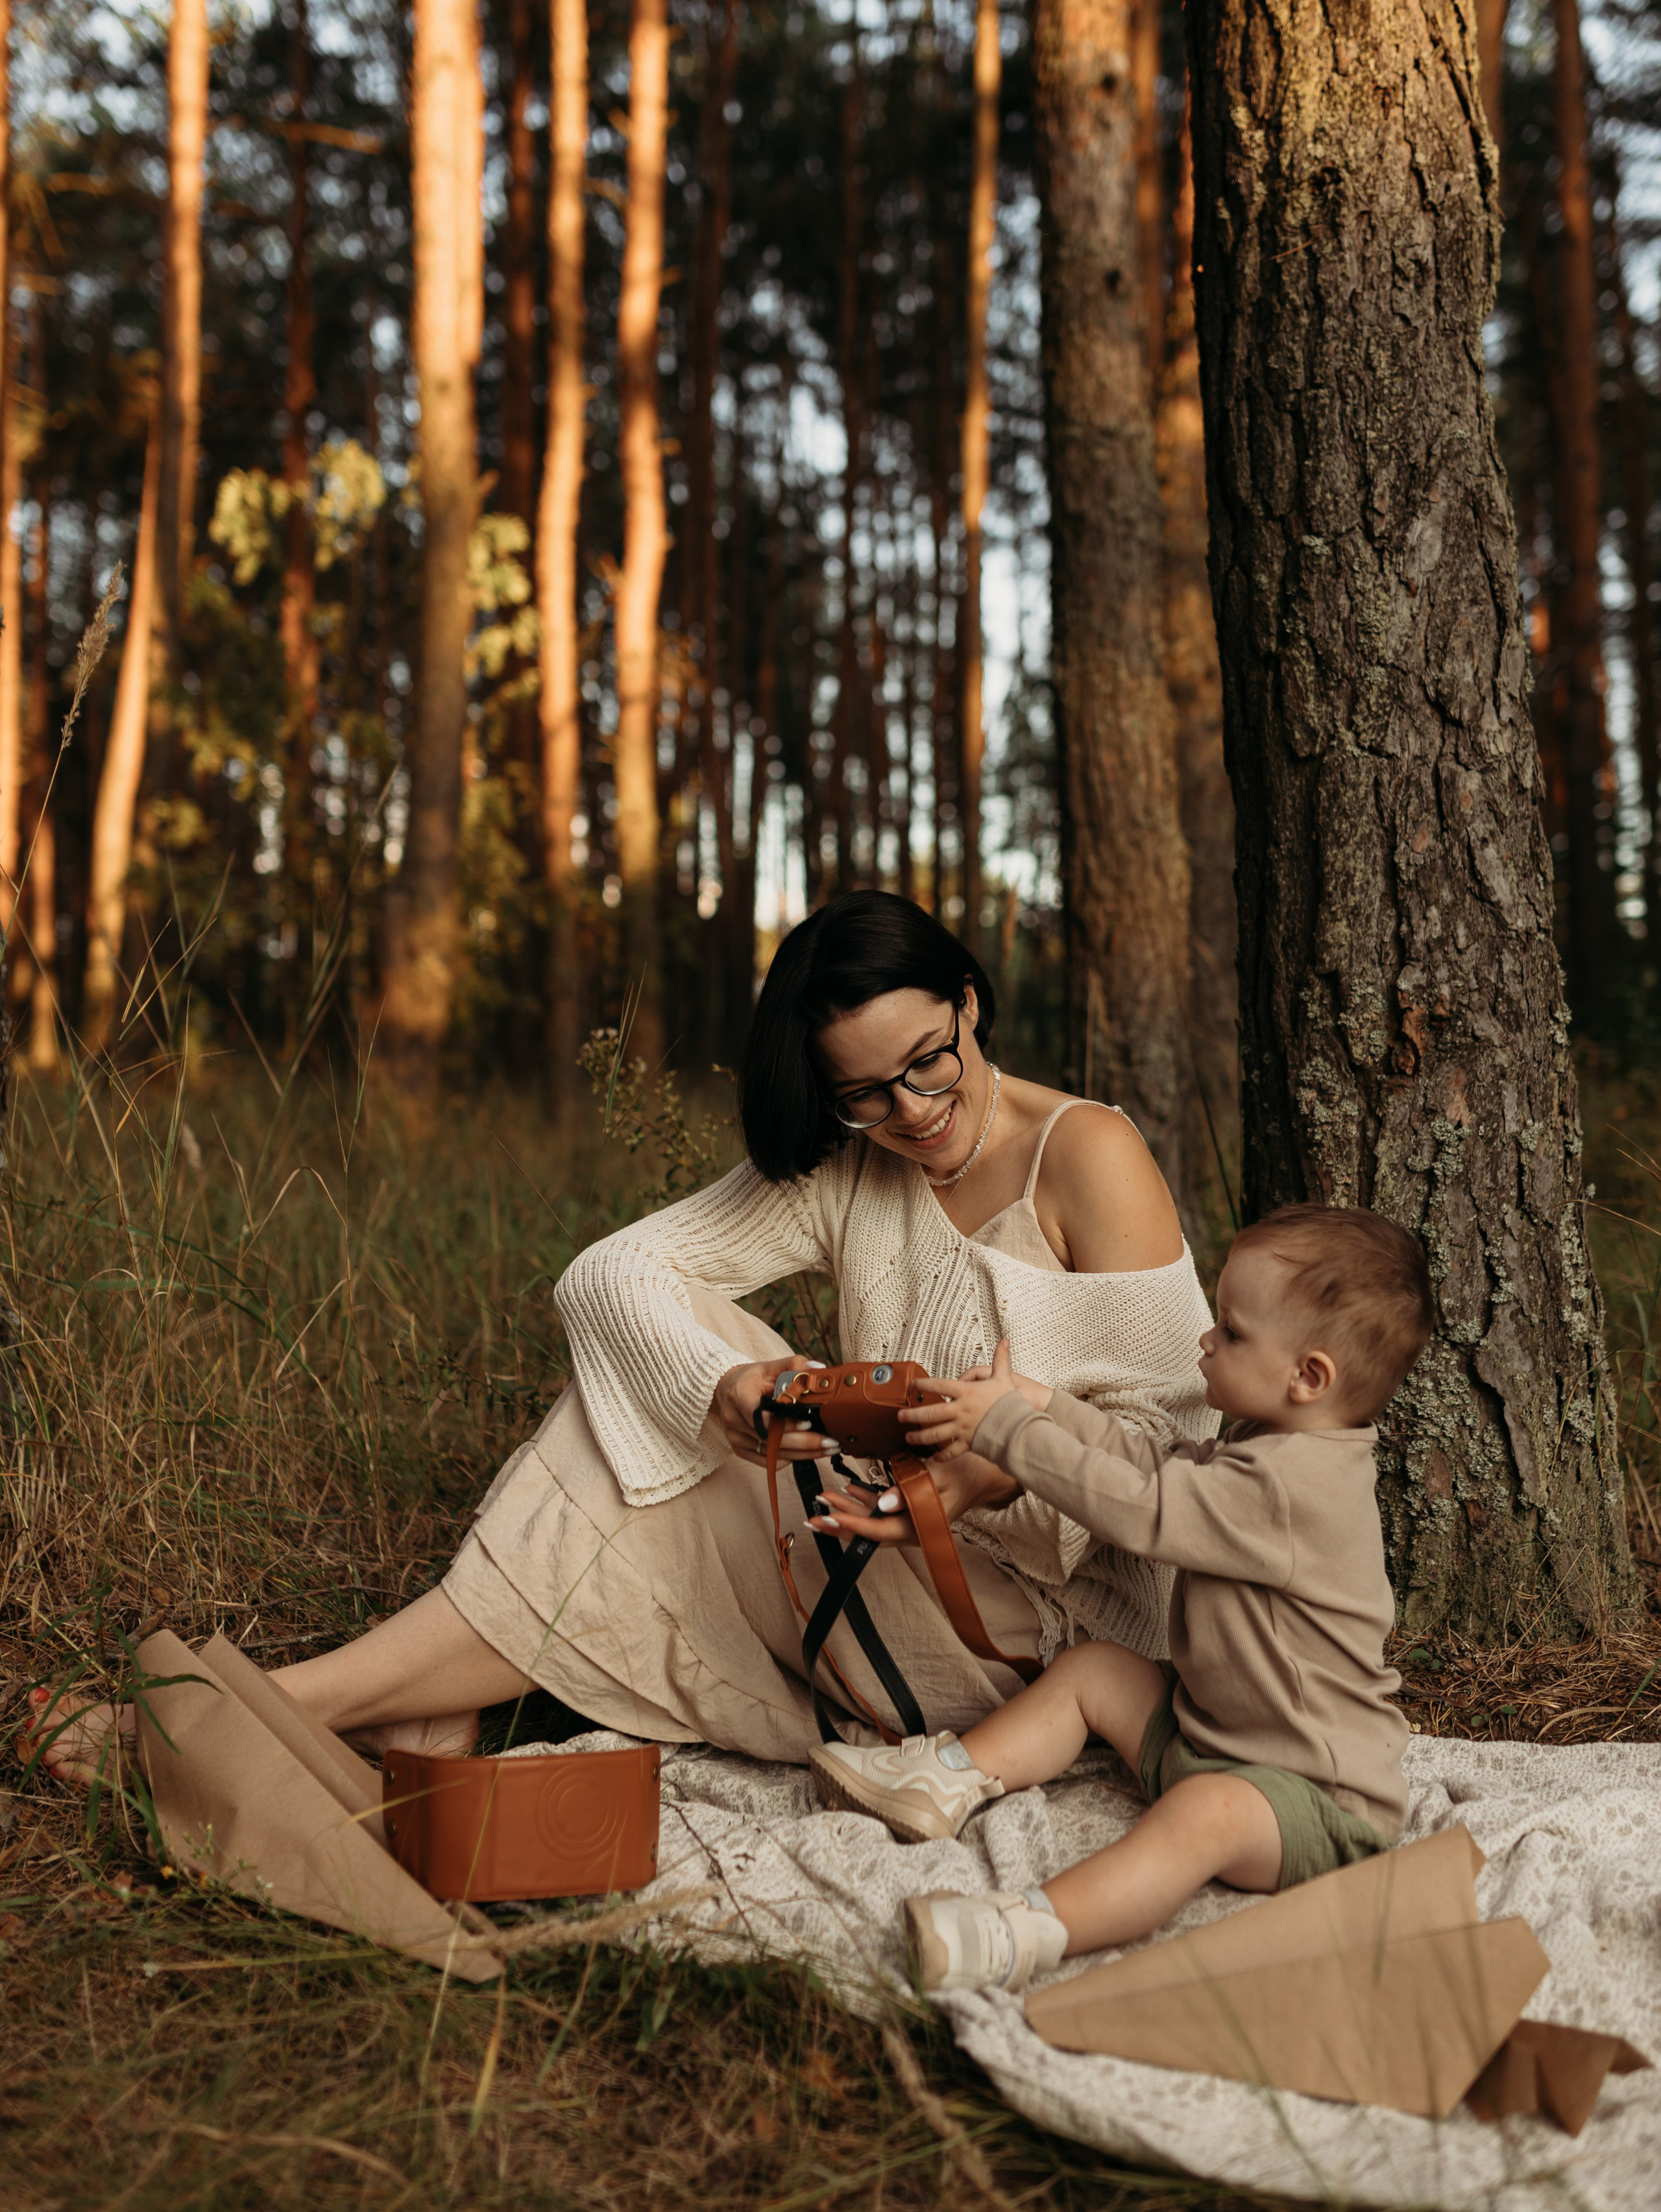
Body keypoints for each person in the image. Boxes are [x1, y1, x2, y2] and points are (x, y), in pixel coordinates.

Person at [26, 891, 1217, 1784]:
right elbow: (610, 1276)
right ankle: (375, 1713)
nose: (910, 1112)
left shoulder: (1087, 1156)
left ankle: (249, 1717)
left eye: (927, 1062)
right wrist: (729, 1389)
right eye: (863, 1092)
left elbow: (1181, 1464)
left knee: (627, 1449)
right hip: (886, 1559)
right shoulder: (854, 1163)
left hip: (1040, 1649)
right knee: (662, 1380)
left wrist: (998, 1464)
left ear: (968, 1001)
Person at [807, 1205, 1433, 1995]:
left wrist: (1007, 1431)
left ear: (1307, 1376)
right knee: (1095, 1669)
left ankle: (1021, 1930)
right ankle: (945, 1779)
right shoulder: (1272, 1441)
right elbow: (1156, 1461)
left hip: (1312, 1802)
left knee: (1205, 1814)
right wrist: (1043, 1405)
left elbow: (1141, 1507)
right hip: (1212, 1736)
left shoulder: (1295, 1486)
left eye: (1231, 1331)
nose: (1206, 1337)